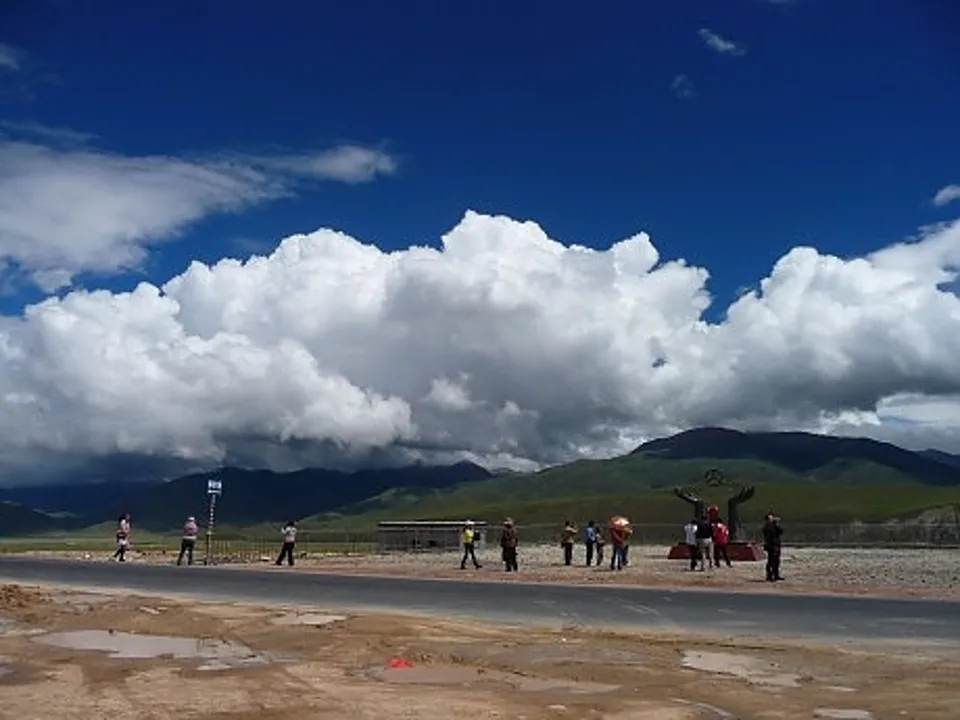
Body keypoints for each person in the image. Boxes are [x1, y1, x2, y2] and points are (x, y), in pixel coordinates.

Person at [762, 512, 784, 581]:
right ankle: (769, 576)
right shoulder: (767, 526)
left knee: (777, 561)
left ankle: (776, 575)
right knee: (771, 561)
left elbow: (781, 531)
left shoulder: (774, 526)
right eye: (771, 518)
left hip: (776, 545)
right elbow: (767, 535)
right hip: (771, 546)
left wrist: (776, 524)